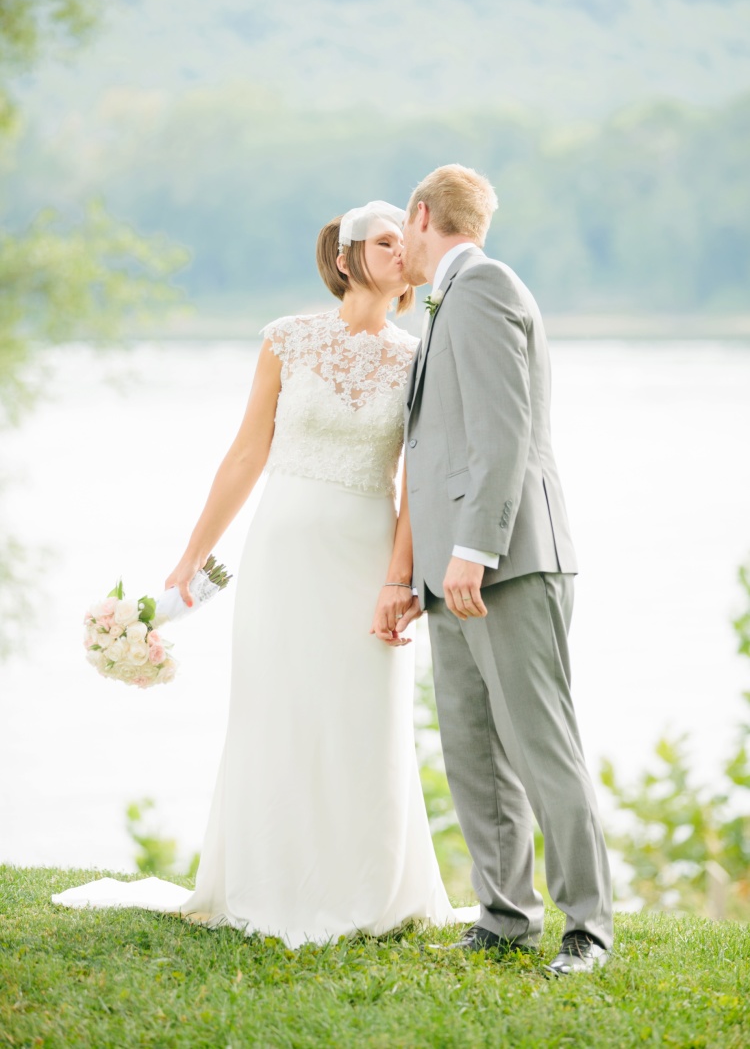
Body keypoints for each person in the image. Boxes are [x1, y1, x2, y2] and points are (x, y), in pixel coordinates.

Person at [53, 200, 472, 948]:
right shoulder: (286, 340)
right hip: (282, 551)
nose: (399, 250)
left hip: (365, 555)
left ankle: (365, 888)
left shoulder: (418, 356)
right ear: (345, 258)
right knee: (275, 707)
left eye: (400, 241)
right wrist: (188, 557)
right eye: (383, 241)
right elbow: (246, 455)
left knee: (360, 717)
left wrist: (399, 578)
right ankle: (269, 881)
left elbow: (418, 478)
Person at [378, 164, 613, 975]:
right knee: (472, 747)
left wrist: (472, 552)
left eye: (399, 234)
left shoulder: (481, 287)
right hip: (454, 572)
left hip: (506, 563)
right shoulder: (449, 301)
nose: (396, 252)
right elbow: (437, 445)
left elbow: (504, 434)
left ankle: (586, 930)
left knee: (542, 746)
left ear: (421, 217)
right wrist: (421, 574)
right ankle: (505, 916)